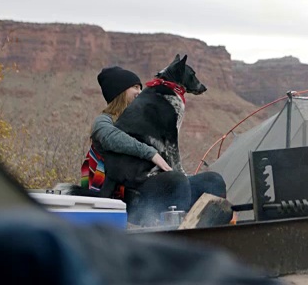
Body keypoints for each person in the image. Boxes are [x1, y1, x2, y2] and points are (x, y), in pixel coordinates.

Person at [87, 66, 226, 226]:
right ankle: (182, 233)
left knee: (213, 180)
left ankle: (214, 232)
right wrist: (151, 154)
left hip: (158, 178)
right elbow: (111, 137)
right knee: (177, 181)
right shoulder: (104, 122)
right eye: (135, 87)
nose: (140, 92)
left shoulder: (148, 116)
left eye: (140, 87)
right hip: (130, 188)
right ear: (119, 93)